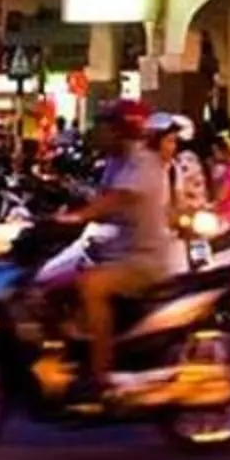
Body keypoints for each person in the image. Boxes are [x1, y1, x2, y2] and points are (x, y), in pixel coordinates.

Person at [67, 101, 173, 398]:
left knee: (92, 286)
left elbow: (115, 200)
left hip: (143, 259)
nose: (98, 133)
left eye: (105, 126)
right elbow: (101, 199)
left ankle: (100, 374)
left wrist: (75, 217)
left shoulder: (142, 162)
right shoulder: (116, 162)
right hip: (116, 252)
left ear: (122, 130)